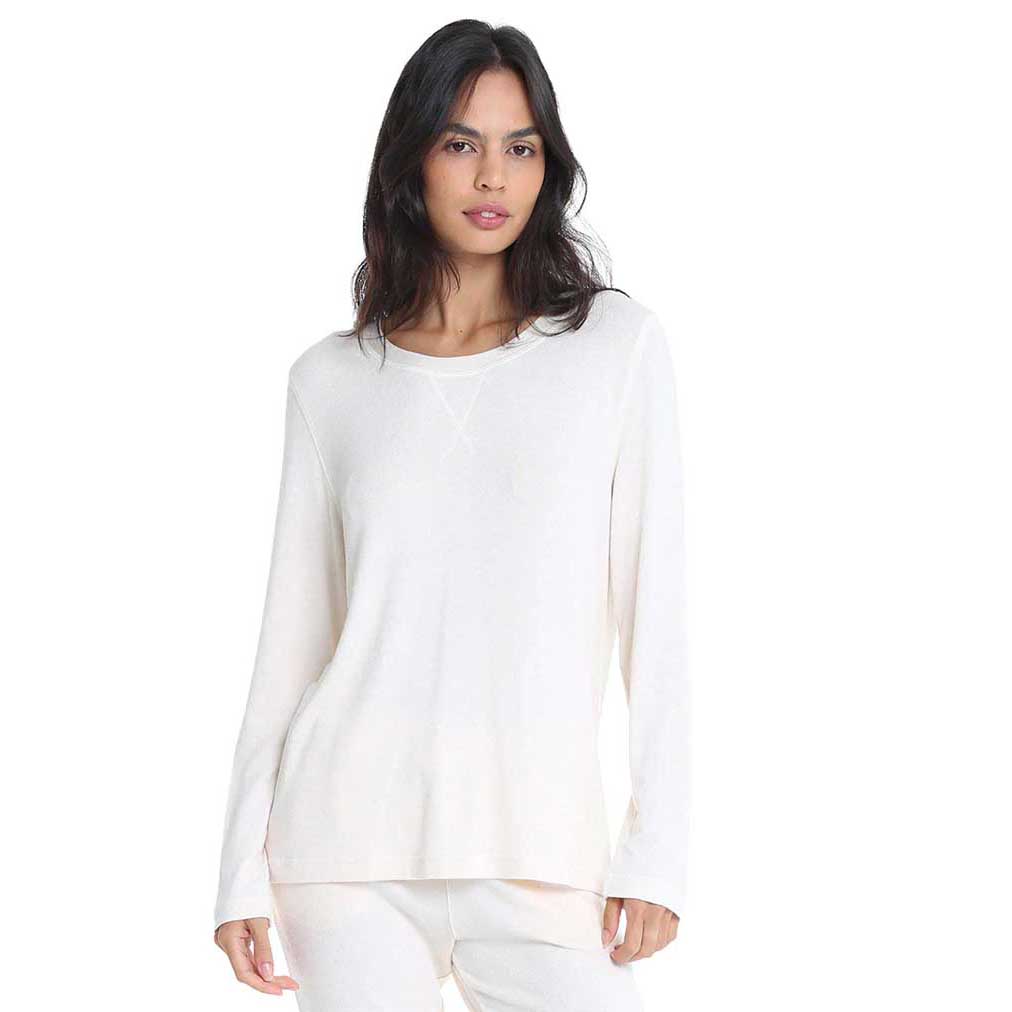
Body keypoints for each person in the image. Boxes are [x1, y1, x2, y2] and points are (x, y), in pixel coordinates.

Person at [213, 19, 690, 1011]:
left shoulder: (614, 348)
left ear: (548, 167)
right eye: (460, 142)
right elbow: (291, 643)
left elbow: (659, 614)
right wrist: (237, 871)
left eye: (521, 147)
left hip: (540, 851)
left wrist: (658, 850)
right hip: (341, 853)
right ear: (412, 160)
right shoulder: (331, 381)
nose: (492, 176)